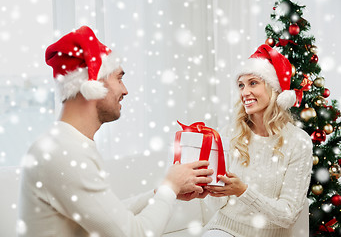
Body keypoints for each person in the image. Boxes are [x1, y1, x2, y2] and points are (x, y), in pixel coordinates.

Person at [18, 26, 213, 237]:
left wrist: (160, 193)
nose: (125, 90)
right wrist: (170, 186)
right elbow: (133, 234)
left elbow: (111, 216)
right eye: (119, 78)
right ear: (93, 83)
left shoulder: (66, 144)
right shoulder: (63, 153)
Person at [201, 44, 313, 237]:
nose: (245, 92)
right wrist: (210, 189)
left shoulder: (298, 142)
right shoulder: (229, 133)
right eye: (241, 85)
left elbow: (288, 215)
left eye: (253, 83)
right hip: (224, 228)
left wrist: (243, 191)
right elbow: (215, 205)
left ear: (273, 88)